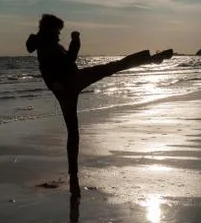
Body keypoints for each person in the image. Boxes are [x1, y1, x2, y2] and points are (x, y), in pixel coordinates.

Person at [26, 14, 173, 197]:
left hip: (68, 87)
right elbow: (52, 67)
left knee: (73, 131)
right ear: (49, 29)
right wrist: (74, 44)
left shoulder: (48, 44)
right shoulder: (46, 46)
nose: (59, 35)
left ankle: (73, 175)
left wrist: (74, 43)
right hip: (71, 83)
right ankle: (150, 59)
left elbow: (64, 62)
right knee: (113, 67)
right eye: (58, 31)